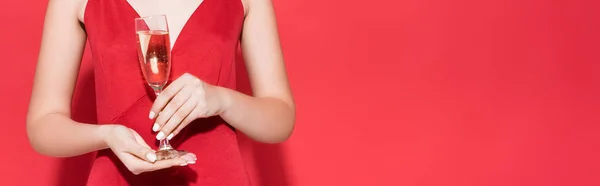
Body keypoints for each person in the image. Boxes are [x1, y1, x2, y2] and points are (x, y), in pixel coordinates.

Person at [26, 0, 295, 185]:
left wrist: (222, 100)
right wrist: (106, 135)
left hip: (219, 178)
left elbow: (280, 120)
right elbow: (43, 124)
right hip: (118, 179)